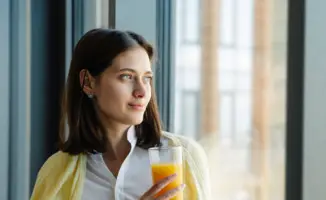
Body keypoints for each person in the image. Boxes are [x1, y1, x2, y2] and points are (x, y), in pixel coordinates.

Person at [30, 28, 210, 200]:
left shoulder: (184, 156)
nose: (141, 91)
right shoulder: (57, 172)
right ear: (88, 83)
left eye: (147, 78)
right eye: (127, 76)